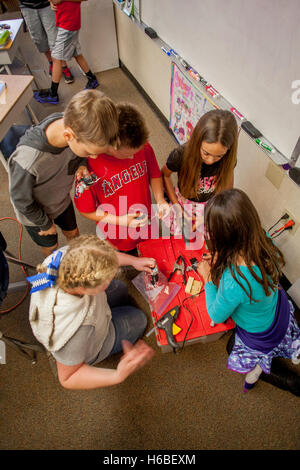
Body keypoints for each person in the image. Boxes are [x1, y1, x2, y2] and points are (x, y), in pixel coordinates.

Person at [197, 189, 300, 393]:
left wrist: (208, 279)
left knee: (230, 347)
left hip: (261, 333)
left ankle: (289, 381)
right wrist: (222, 256)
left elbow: (216, 315)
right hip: (281, 311)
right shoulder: (263, 240)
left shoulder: (233, 280)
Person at [27, 235, 155, 390]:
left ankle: (115, 307)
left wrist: (134, 261)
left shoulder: (69, 256)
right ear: (87, 289)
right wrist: (117, 375)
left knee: (119, 288)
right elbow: (68, 378)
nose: (113, 274)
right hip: (96, 337)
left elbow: (104, 255)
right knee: (139, 320)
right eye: (107, 279)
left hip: (95, 310)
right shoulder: (74, 331)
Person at [8, 90, 119, 258]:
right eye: (89, 153)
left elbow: (77, 152)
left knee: (73, 233)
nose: (94, 158)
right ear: (69, 136)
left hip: (61, 200)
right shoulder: (28, 161)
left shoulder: (76, 126)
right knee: (51, 247)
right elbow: (20, 199)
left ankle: (76, 260)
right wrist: (45, 224)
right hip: (36, 215)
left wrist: (81, 164)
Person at [74, 102, 170, 255]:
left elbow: (155, 174)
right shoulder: (87, 168)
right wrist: (122, 221)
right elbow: (86, 210)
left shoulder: (141, 146)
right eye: (127, 155)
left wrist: (160, 199)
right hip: (116, 232)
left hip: (145, 221)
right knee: (127, 259)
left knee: (148, 251)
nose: (133, 157)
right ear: (111, 145)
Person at [161, 110, 238, 245]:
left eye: (219, 156)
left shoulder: (229, 161)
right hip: (184, 203)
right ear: (198, 141)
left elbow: (226, 191)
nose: (210, 160)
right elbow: (165, 175)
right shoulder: (180, 154)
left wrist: (209, 214)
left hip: (209, 205)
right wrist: (176, 205)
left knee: (204, 241)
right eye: (206, 153)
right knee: (180, 239)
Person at [34, 0, 98, 104]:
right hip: (66, 21)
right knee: (76, 52)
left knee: (56, 58)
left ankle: (53, 94)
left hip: (68, 24)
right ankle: (92, 78)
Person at [19, 0, 74, 84]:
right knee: (39, 40)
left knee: (54, 38)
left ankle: (63, 66)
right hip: (27, 7)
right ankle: (51, 62)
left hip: (46, 5)